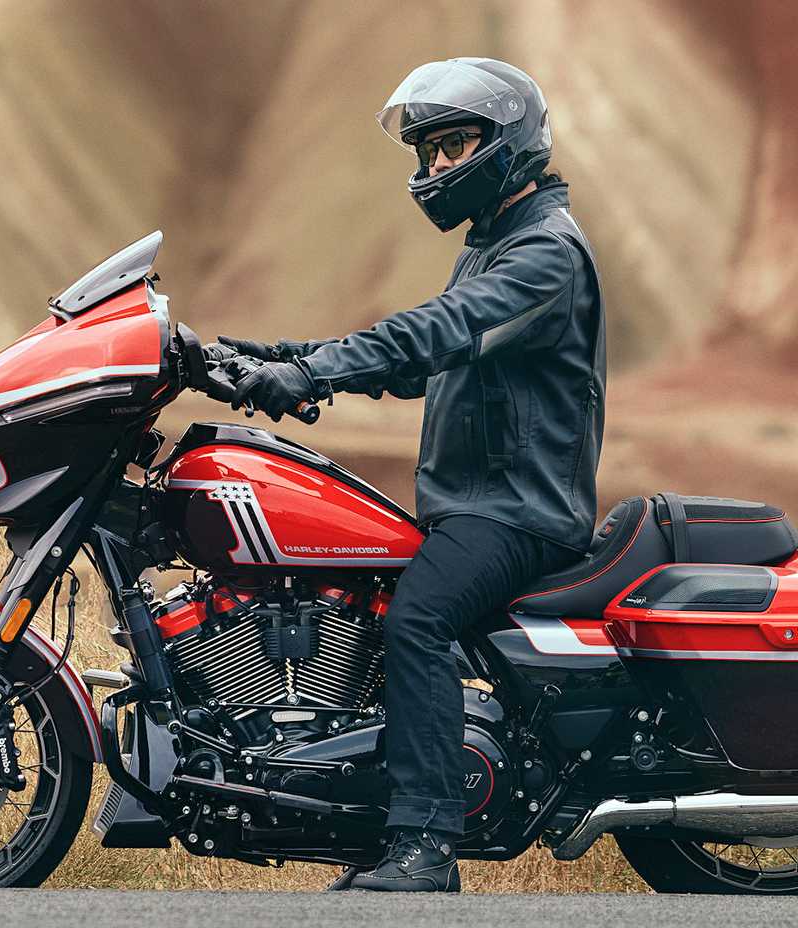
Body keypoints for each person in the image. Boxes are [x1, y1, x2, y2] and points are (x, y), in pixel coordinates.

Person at [219, 57, 606, 893]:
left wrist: (315, 375)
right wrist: (275, 358)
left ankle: (427, 844)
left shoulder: (546, 255)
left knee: (418, 623)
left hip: (517, 511)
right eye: (425, 154)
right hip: (475, 505)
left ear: (507, 147)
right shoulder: (499, 244)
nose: (433, 170)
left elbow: (440, 331)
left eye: (452, 147)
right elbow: (418, 363)